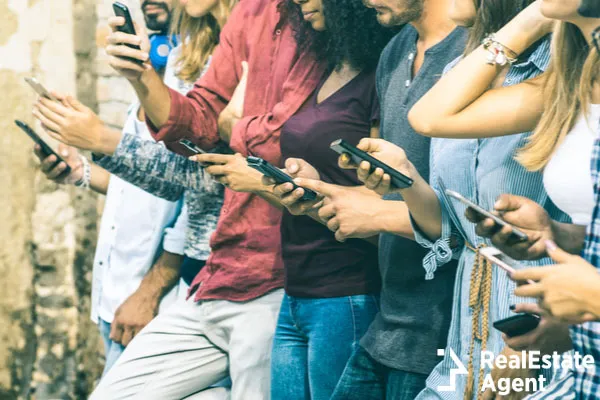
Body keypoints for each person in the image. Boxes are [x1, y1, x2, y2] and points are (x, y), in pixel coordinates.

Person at [37, 0, 328, 397]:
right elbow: (201, 130)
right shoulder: (226, 29)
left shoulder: (319, 19)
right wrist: (139, 79)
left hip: (272, 274)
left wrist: (104, 141)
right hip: (214, 274)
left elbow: (215, 168)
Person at [319, 1, 574, 398]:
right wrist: (407, 180)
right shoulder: (460, 74)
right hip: (463, 346)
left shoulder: (560, 75)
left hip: (533, 330)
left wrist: (532, 18)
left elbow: (427, 118)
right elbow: (454, 229)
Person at [268, 0, 466, 398]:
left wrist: (377, 216)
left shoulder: (474, 55)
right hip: (390, 322)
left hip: (442, 330)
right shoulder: (396, 50)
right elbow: (395, 189)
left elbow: (471, 216)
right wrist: (325, 190)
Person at [226, 0, 394, 398]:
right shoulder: (323, 68)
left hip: (347, 291)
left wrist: (266, 185)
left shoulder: (377, 78)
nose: (298, 2)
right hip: (297, 290)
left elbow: (382, 197)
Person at [31, 0, 191, 376]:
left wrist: (149, 293)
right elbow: (142, 186)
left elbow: (202, 202)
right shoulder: (148, 84)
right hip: (116, 294)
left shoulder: (198, 84)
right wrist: (79, 172)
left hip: (157, 303)